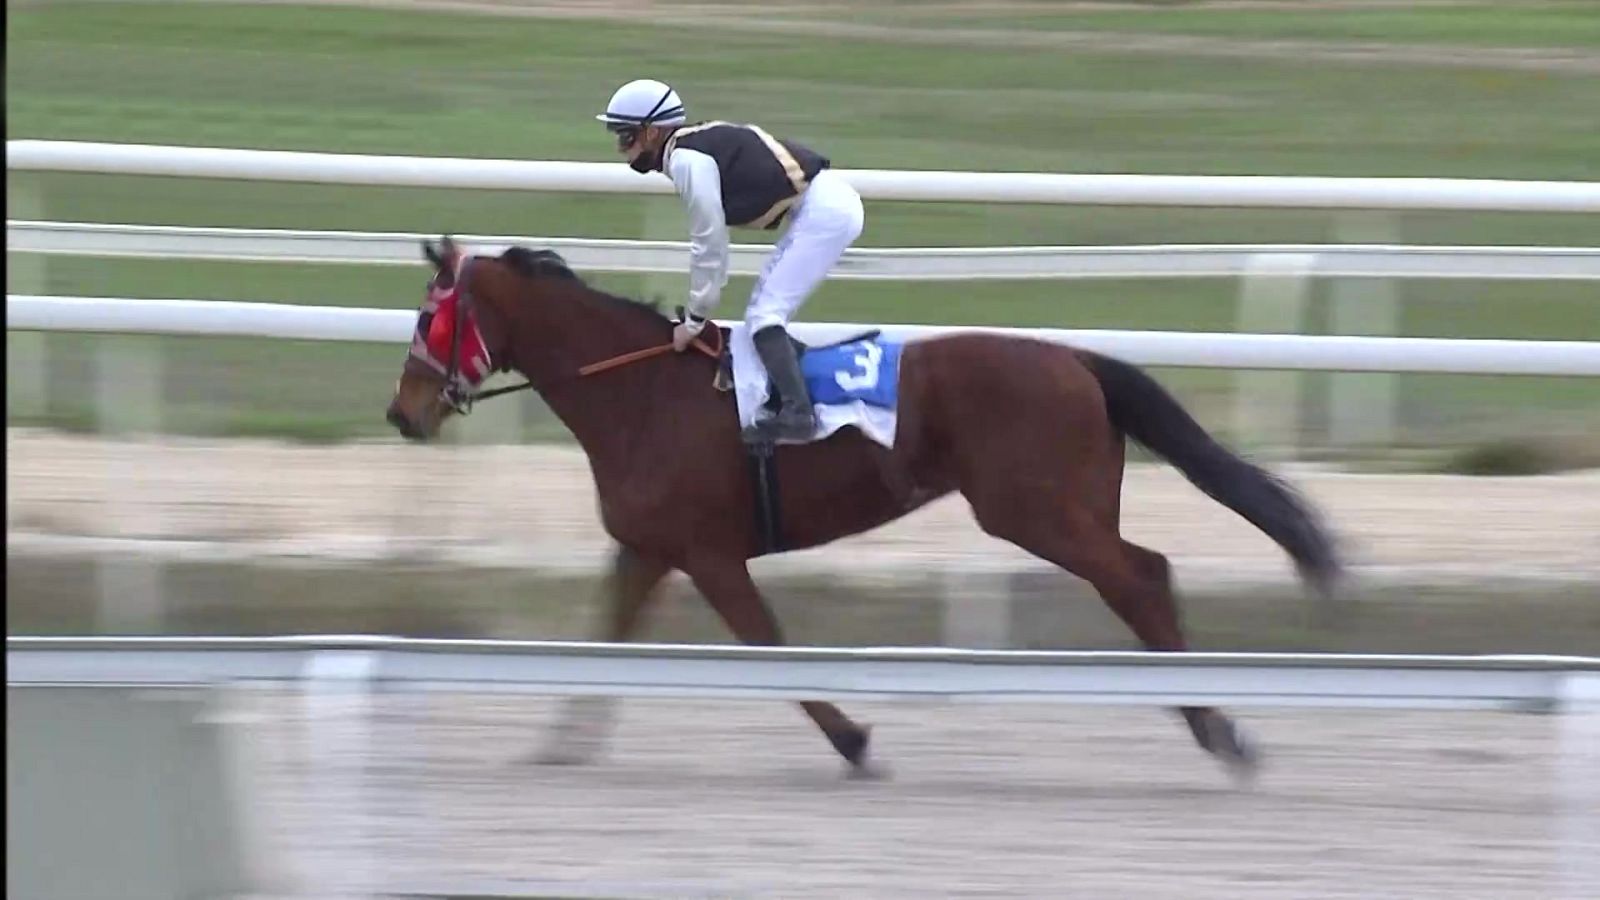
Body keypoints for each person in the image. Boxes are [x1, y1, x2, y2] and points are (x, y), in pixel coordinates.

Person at [596, 78, 865, 443]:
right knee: (763, 315)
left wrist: (695, 319)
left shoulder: (687, 161)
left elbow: (708, 244)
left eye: (626, 136)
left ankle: (799, 415)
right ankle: (795, 394)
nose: (620, 149)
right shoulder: (690, 147)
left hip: (824, 212)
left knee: (764, 316)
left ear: (652, 132)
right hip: (822, 207)